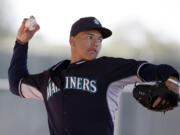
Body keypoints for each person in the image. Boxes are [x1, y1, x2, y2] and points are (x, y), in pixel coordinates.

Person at [8, 16, 179, 135]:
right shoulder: (50, 77)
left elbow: (145, 69)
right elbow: (17, 84)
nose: (96, 43)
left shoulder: (107, 68)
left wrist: (173, 79)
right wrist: (21, 43)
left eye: (99, 39)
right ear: (71, 40)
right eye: (90, 37)